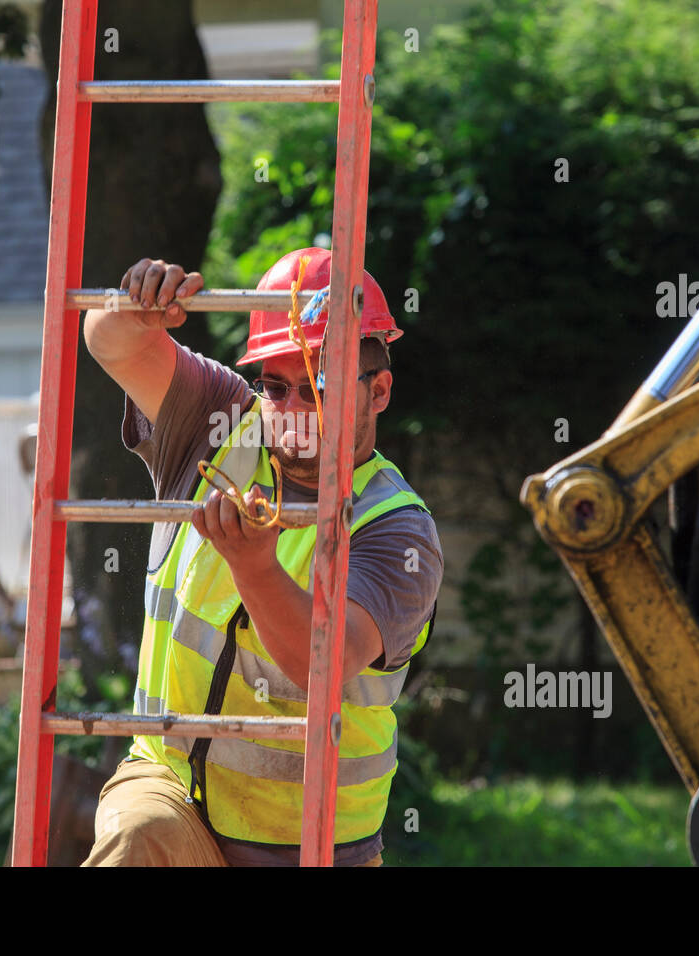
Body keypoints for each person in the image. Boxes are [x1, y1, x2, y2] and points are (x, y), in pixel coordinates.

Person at [79, 247, 444, 866]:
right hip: (170, 789)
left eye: (319, 386)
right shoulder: (221, 423)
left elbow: (321, 667)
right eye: (276, 386)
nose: (294, 409)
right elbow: (110, 343)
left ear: (378, 390)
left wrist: (255, 568)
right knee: (137, 835)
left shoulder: (398, 530)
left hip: (312, 847)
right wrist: (133, 308)